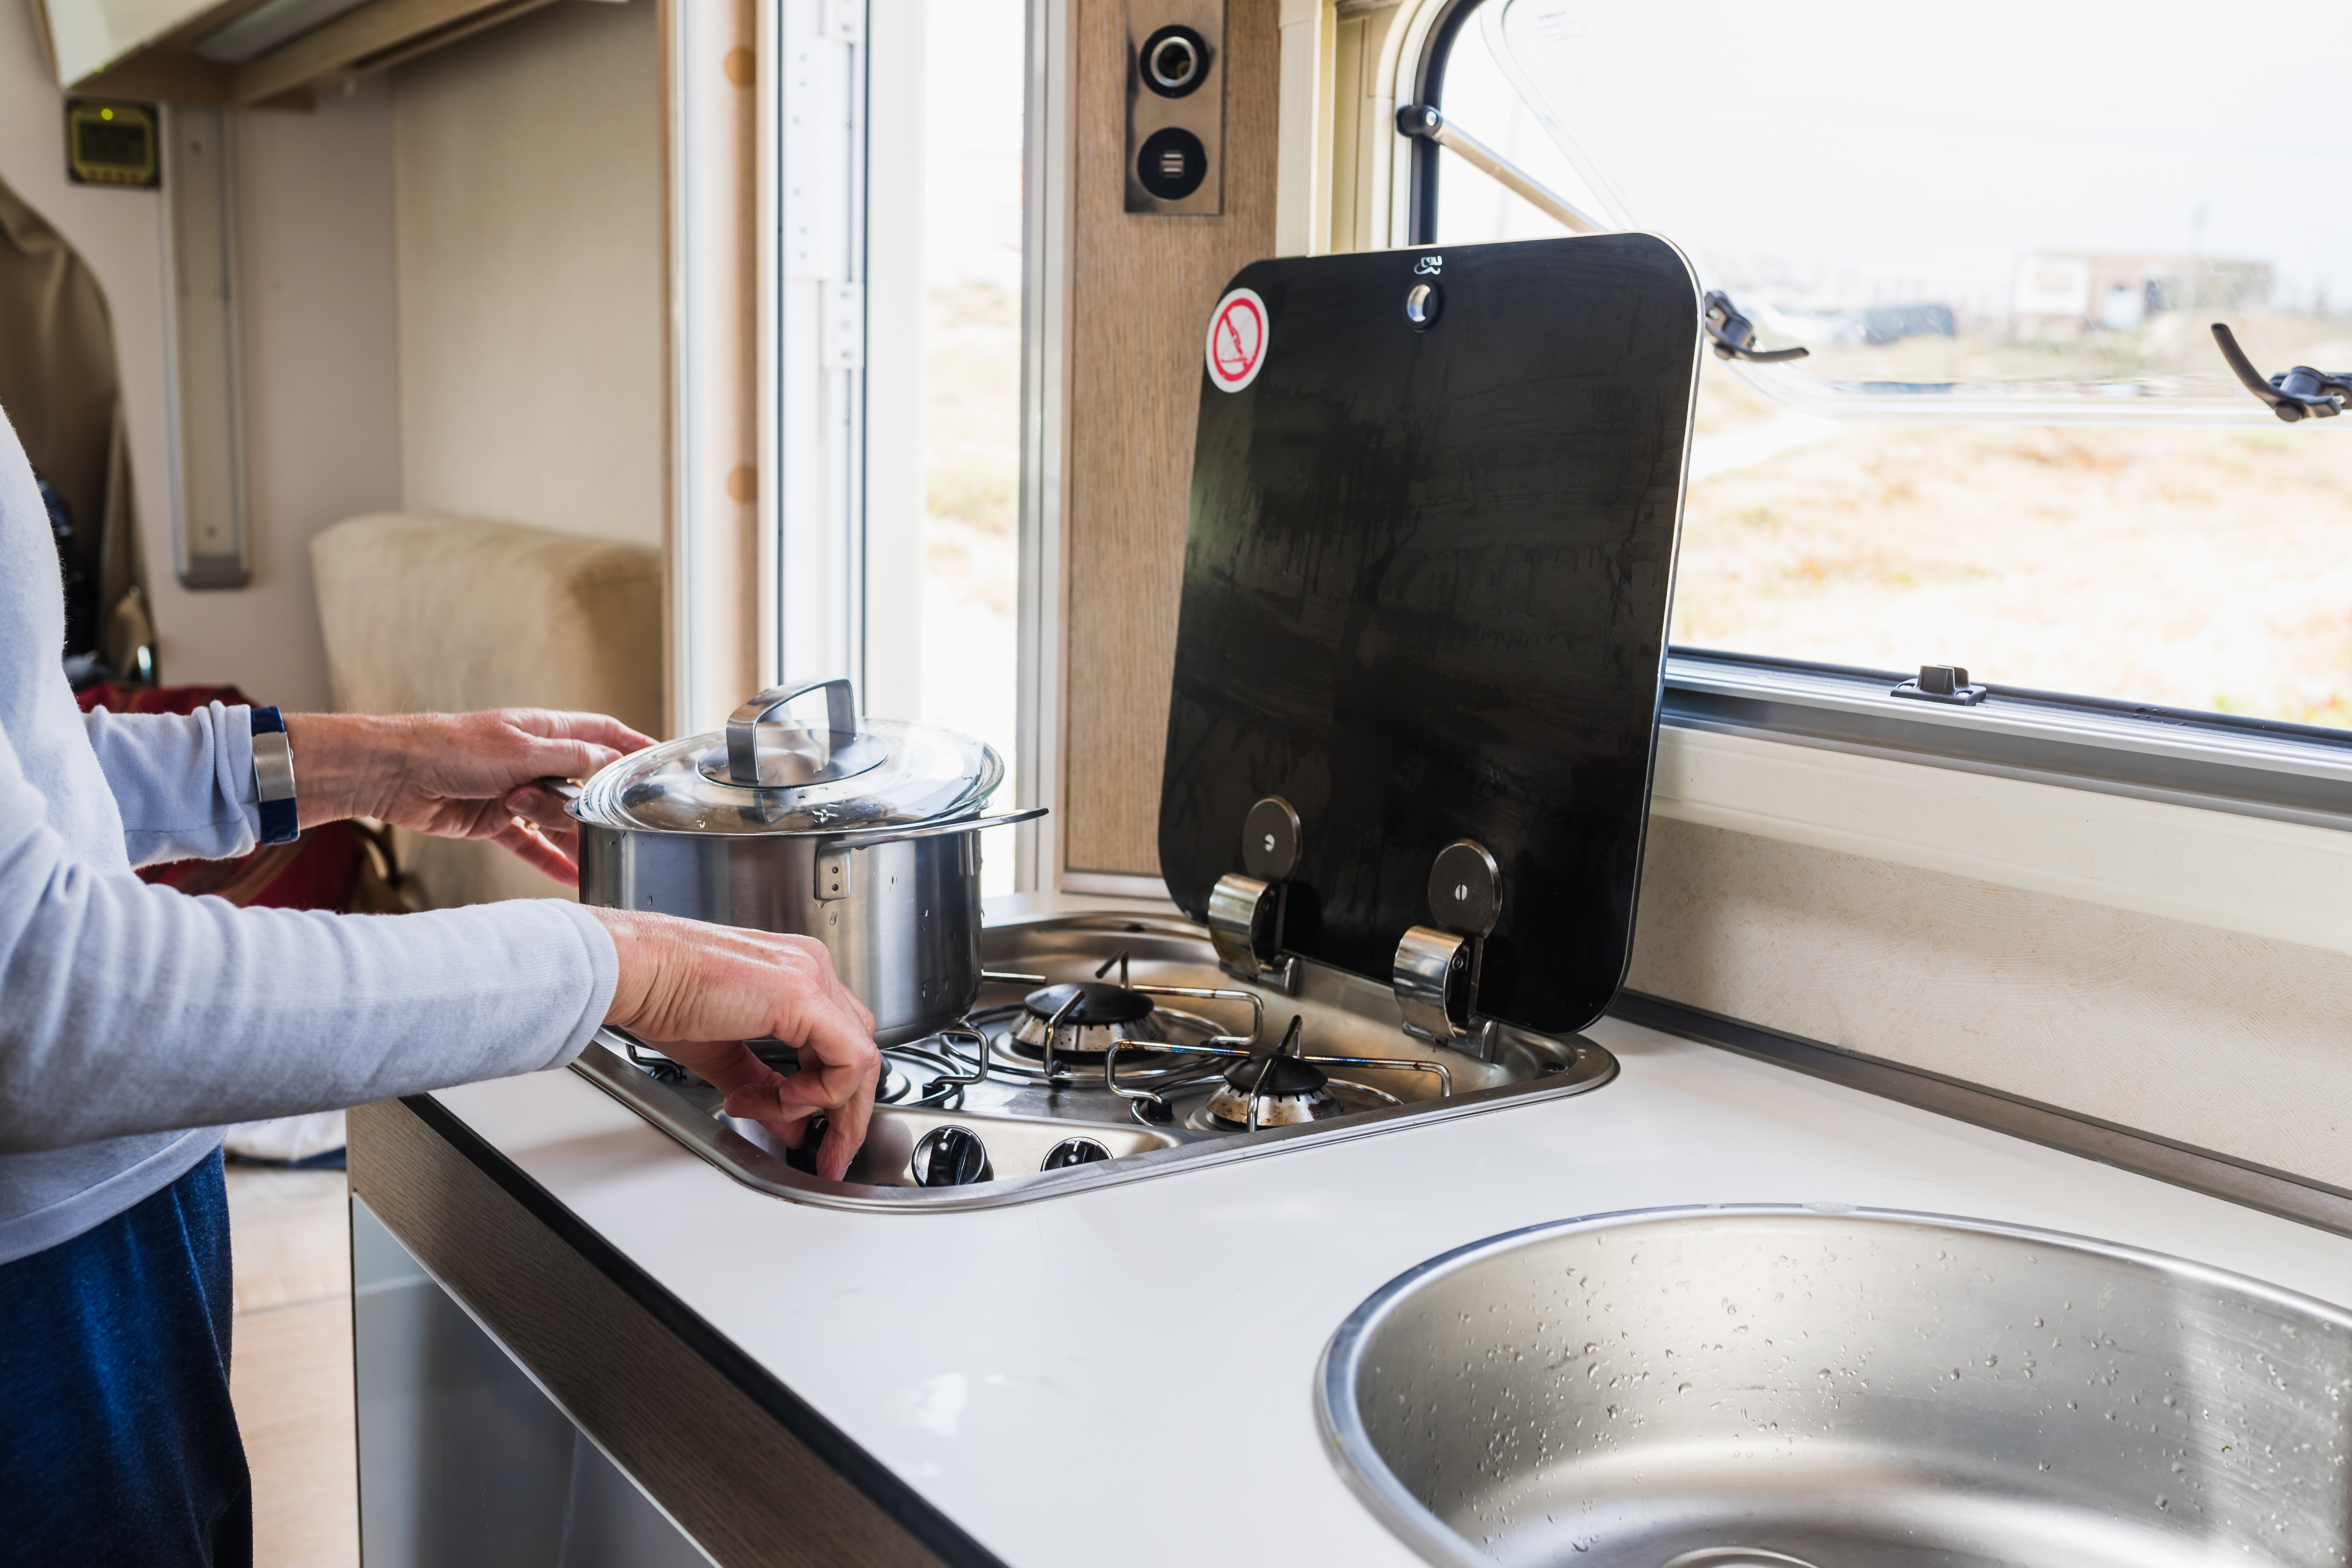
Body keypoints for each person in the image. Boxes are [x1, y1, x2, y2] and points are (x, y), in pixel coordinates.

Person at [0, 409, 882, 1564]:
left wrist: (377, 762)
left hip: (118, 1220)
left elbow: (39, 756)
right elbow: (43, 998)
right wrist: (631, 967)